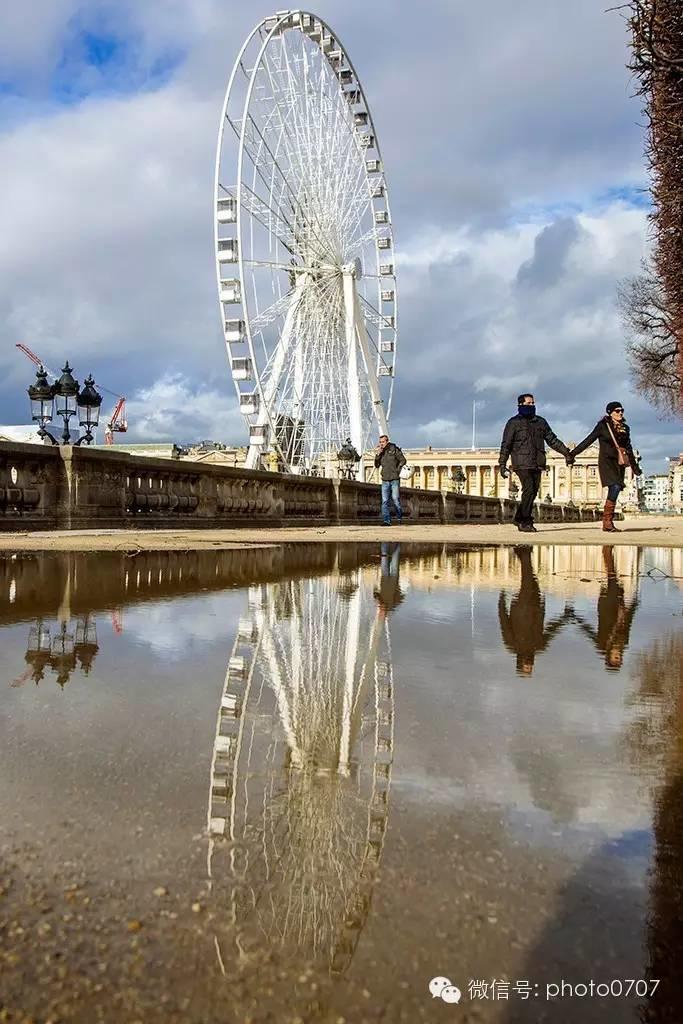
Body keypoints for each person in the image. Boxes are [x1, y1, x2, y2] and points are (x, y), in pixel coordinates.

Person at [498, 393, 573, 533]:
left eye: (533, 403)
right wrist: (502, 464)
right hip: (521, 462)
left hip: (537, 462)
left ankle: (519, 517)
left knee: (533, 491)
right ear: (520, 405)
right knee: (529, 488)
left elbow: (552, 440)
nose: (532, 405)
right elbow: (506, 444)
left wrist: (566, 453)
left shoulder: (541, 422)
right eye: (529, 403)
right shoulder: (513, 423)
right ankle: (525, 521)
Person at [568, 401, 642, 532]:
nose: (620, 413)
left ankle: (608, 522)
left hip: (619, 462)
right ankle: (607, 522)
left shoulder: (625, 428)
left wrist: (635, 468)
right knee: (615, 486)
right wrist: (572, 454)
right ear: (610, 412)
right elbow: (589, 440)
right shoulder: (603, 426)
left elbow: (628, 448)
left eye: (622, 410)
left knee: (617, 488)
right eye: (617, 411)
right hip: (606, 461)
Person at [498, 546, 573, 675]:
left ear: (520, 663)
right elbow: (551, 630)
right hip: (537, 606)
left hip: (521, 607)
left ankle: (525, 551)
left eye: (526, 667)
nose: (529, 664)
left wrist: (501, 602)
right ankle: (521, 553)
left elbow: (504, 624)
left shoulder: (512, 645)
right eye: (530, 668)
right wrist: (564, 618)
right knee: (532, 578)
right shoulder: (539, 646)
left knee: (527, 578)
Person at [571, 547, 639, 669]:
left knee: (612, 579)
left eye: (616, 657)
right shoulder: (624, 642)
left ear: (609, 655)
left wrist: (576, 618)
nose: (618, 655)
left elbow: (589, 632)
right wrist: (633, 606)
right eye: (619, 658)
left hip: (606, 608)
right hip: (619, 606)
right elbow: (628, 623)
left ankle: (607, 552)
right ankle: (607, 553)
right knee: (613, 579)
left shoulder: (602, 644)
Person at [374, 434, 406, 526]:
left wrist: (397, 470)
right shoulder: (381, 452)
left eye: (383, 442)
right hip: (385, 479)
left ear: (387, 441)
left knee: (396, 499)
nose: (381, 444)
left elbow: (403, 460)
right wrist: (377, 455)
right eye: (380, 442)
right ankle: (387, 521)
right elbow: (376, 465)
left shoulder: (394, 449)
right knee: (384, 501)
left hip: (394, 478)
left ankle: (399, 517)